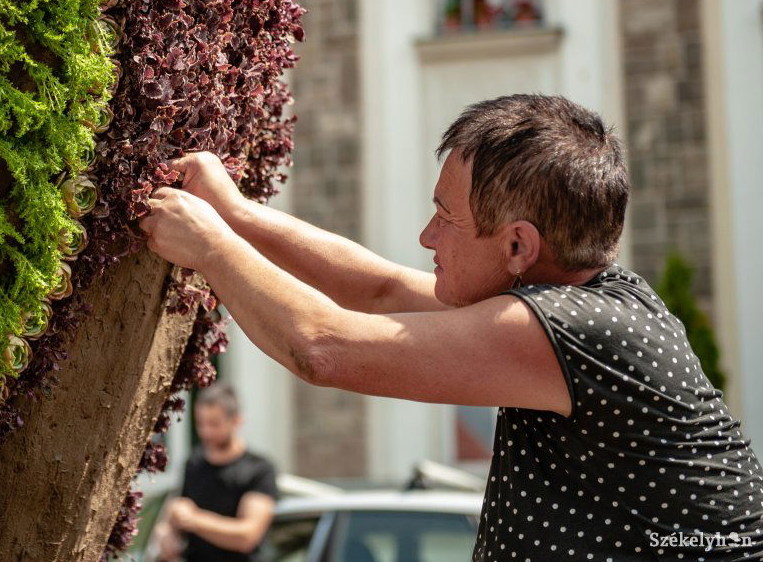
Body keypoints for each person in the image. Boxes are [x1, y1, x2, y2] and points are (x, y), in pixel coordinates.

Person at [140, 93, 763, 560]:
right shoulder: (587, 302)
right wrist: (237, 215)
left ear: (518, 246)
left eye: (445, 217)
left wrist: (211, 247)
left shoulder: (572, 328)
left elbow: (321, 347)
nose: (426, 237)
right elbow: (381, 290)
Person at [151, 383, 278, 562]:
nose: (206, 432)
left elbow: (247, 537)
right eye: (201, 423)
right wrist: (168, 532)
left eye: (214, 424)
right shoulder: (194, 463)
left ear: (236, 420)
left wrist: (194, 519)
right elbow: (178, 513)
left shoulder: (259, 469)